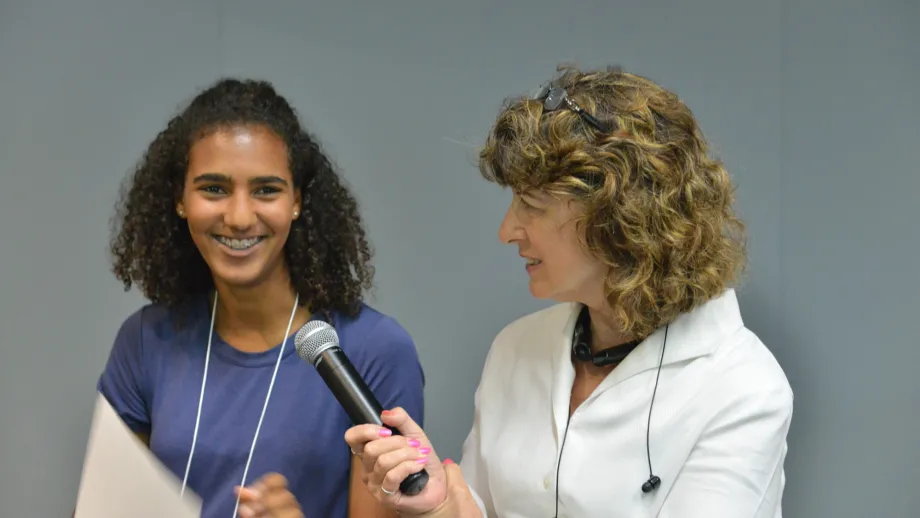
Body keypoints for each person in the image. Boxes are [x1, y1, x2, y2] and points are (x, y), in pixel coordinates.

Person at [344, 65, 794, 517]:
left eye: (531, 206)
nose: (507, 231)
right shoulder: (517, 348)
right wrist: (440, 501)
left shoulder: (742, 389)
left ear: (620, 219)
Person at [97, 78, 424, 518]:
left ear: (297, 202)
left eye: (266, 190)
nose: (238, 216)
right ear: (180, 200)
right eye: (213, 188)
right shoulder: (145, 340)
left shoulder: (373, 351)